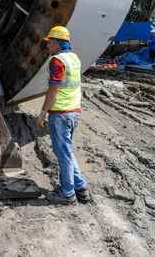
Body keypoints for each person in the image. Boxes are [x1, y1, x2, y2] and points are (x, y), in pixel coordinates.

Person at [36, 26, 91, 205]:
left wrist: (43, 112)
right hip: (74, 112)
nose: (48, 47)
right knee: (67, 152)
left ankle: (67, 194)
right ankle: (80, 188)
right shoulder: (74, 58)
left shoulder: (57, 61)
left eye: (49, 43)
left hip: (60, 114)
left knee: (63, 155)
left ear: (57, 43)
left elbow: (53, 90)